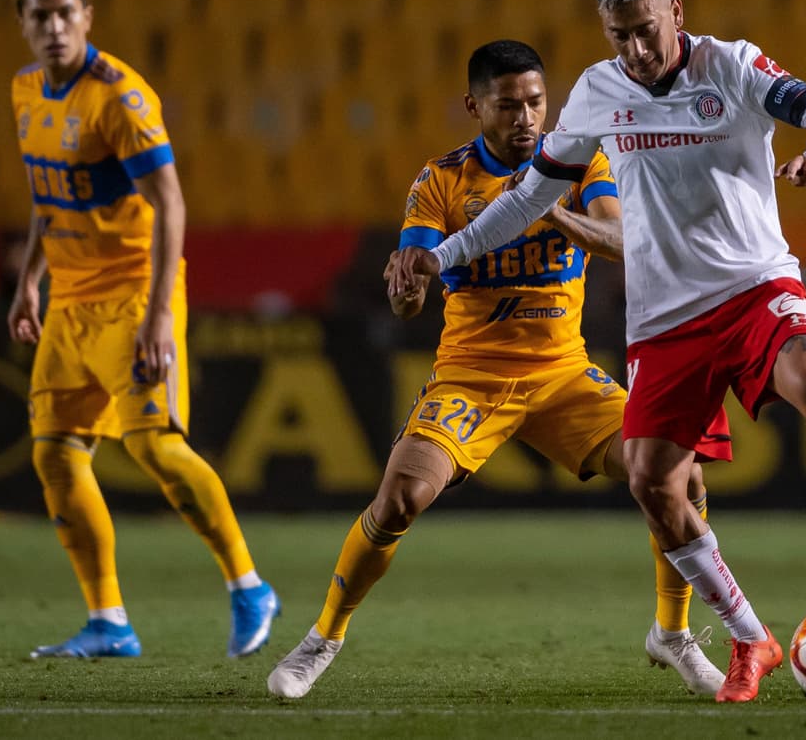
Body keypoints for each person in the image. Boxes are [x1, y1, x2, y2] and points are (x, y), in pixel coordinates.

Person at [389, 0, 806, 703]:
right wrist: (440, 257)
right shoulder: (597, 92)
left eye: (646, 30)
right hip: (665, 315)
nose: (636, 49)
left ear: (676, 11)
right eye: (619, 35)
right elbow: (527, 198)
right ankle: (749, 637)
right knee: (653, 484)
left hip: (755, 283)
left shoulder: (731, 66)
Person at [268, 40, 735, 699]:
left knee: (679, 474)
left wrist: (550, 210)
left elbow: (622, 240)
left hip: (563, 374)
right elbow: (410, 292)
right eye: (509, 104)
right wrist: (406, 289)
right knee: (399, 499)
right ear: (474, 106)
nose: (526, 117)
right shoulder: (441, 181)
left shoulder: (580, 161)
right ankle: (323, 637)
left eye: (536, 102)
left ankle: (674, 633)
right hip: (473, 376)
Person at [5, 0, 278, 659]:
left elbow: (170, 202)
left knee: (154, 444)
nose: (55, 26)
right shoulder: (26, 90)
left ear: (87, 17)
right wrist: (29, 279)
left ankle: (249, 585)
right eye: (40, 15)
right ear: (24, 25)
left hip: (132, 292)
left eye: (66, 13)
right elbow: (46, 194)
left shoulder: (120, 98)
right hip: (68, 300)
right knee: (56, 454)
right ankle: (108, 621)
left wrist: (159, 316)